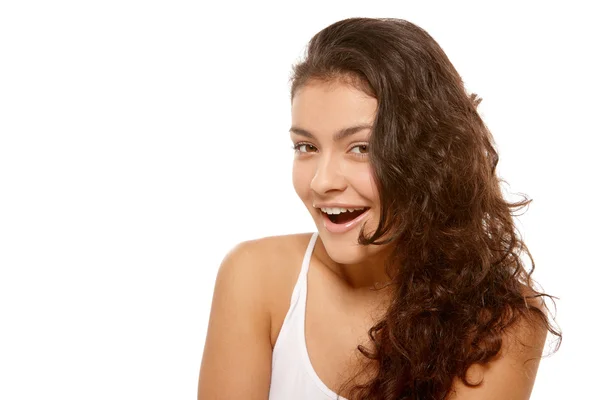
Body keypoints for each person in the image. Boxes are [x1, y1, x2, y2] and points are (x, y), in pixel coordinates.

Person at [197, 17, 561, 400]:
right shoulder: (256, 277)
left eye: (361, 148)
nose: (322, 182)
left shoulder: (500, 320)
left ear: (432, 156)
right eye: (307, 147)